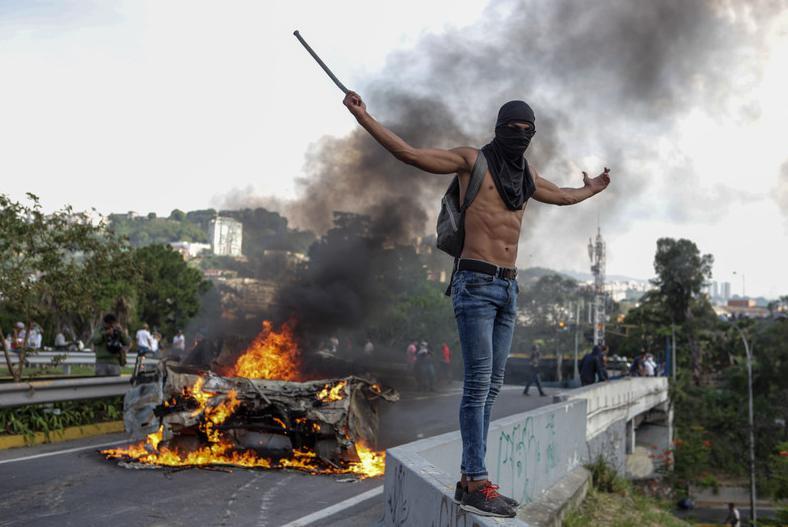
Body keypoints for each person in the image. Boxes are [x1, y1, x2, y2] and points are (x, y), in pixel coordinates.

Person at [343, 91, 611, 517]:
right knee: (478, 383)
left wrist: (592, 188)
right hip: (475, 283)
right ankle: (476, 479)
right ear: (499, 130)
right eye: (513, 130)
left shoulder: (525, 175)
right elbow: (410, 155)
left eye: (527, 131)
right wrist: (363, 117)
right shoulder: (473, 161)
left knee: (489, 388)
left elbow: (561, 195)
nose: (519, 136)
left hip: (509, 288)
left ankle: (473, 480)